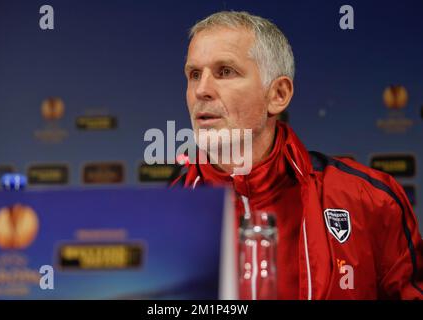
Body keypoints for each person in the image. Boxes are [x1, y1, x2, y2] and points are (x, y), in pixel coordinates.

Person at [170, 11, 423, 300]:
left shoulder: (370, 199)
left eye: (225, 71)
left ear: (278, 94)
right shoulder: (162, 215)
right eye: (194, 75)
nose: (201, 90)